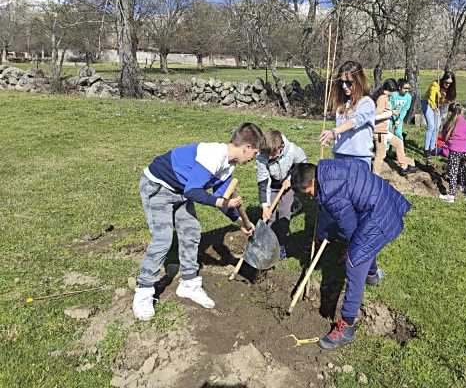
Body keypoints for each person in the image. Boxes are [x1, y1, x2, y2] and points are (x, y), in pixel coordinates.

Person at [132, 123, 265, 321]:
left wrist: (240, 222)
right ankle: (143, 291)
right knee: (163, 238)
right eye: (254, 154)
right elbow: (194, 192)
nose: (253, 159)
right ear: (246, 147)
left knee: (191, 232)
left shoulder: (228, 165)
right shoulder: (213, 156)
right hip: (158, 187)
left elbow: (222, 197)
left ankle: (189, 284)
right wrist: (222, 201)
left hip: (180, 190)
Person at [291, 160, 411, 350]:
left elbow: (350, 227)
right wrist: (322, 235)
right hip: (382, 198)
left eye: (309, 193)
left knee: (355, 261)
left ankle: (346, 326)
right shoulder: (329, 169)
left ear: (312, 183)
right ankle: (372, 276)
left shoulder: (331, 193)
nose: (311, 197)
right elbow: (331, 212)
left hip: (379, 214)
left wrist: (349, 250)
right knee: (365, 246)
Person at [256, 130, 307, 259]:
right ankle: (270, 245)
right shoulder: (262, 156)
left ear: (280, 148)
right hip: (272, 185)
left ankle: (281, 244)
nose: (269, 158)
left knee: (284, 213)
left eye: (271, 155)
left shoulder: (293, 150)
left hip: (288, 185)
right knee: (270, 217)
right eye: (266, 155)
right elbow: (263, 183)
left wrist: (290, 179)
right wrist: (265, 206)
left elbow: (302, 165)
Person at [319, 60, 376, 168]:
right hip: (339, 156)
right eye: (342, 82)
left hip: (359, 160)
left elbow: (355, 121)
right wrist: (330, 137)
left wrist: (334, 132)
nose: (344, 86)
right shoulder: (342, 105)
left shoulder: (367, 102)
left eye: (349, 82)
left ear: (359, 81)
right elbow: (342, 130)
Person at [372, 79, 416, 176]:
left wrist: (396, 117)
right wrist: (391, 113)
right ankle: (375, 175)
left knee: (399, 143)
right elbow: (375, 117)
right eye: (393, 91)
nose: (394, 93)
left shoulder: (386, 97)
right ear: (387, 90)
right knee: (381, 155)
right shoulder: (382, 99)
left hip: (385, 132)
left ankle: (404, 166)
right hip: (379, 133)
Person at [438, 103, 466, 203]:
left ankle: (451, 195)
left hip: (455, 150)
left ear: (450, 112)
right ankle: (462, 186)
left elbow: (444, 137)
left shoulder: (449, 123)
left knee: (453, 172)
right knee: (462, 168)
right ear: (461, 112)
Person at [422, 71, 457, 162]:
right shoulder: (435, 85)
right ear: (443, 80)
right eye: (446, 82)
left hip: (439, 106)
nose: (448, 84)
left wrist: (443, 101)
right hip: (428, 104)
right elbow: (431, 99)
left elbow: (447, 102)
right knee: (431, 126)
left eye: (450, 83)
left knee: (437, 126)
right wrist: (435, 108)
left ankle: (432, 147)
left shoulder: (449, 90)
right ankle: (426, 150)